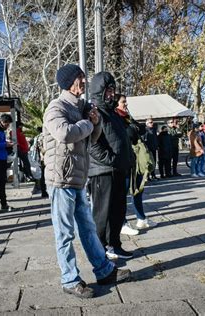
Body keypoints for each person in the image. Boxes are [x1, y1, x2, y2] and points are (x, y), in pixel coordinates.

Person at [43, 64, 130, 298]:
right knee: (64, 233)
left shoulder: (84, 106)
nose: (84, 81)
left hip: (78, 178)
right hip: (61, 180)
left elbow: (92, 138)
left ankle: (104, 271)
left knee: (89, 229)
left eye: (83, 77)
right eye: (80, 78)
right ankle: (70, 280)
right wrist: (89, 122)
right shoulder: (56, 107)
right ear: (69, 82)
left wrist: (96, 122)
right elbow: (65, 134)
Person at [89, 71, 135, 260]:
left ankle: (114, 244)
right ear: (100, 91)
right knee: (102, 214)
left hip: (118, 170)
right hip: (103, 171)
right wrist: (111, 159)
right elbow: (92, 144)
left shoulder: (113, 113)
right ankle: (101, 250)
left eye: (113, 90)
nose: (111, 94)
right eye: (108, 91)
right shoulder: (95, 112)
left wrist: (128, 159)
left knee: (118, 211)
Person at [115, 94, 157, 232]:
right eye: (123, 102)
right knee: (123, 192)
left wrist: (135, 127)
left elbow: (142, 129)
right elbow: (130, 134)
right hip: (124, 159)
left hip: (135, 159)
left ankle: (141, 219)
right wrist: (135, 128)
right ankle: (122, 223)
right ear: (116, 104)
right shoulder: (115, 118)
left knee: (138, 188)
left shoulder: (127, 117)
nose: (126, 104)